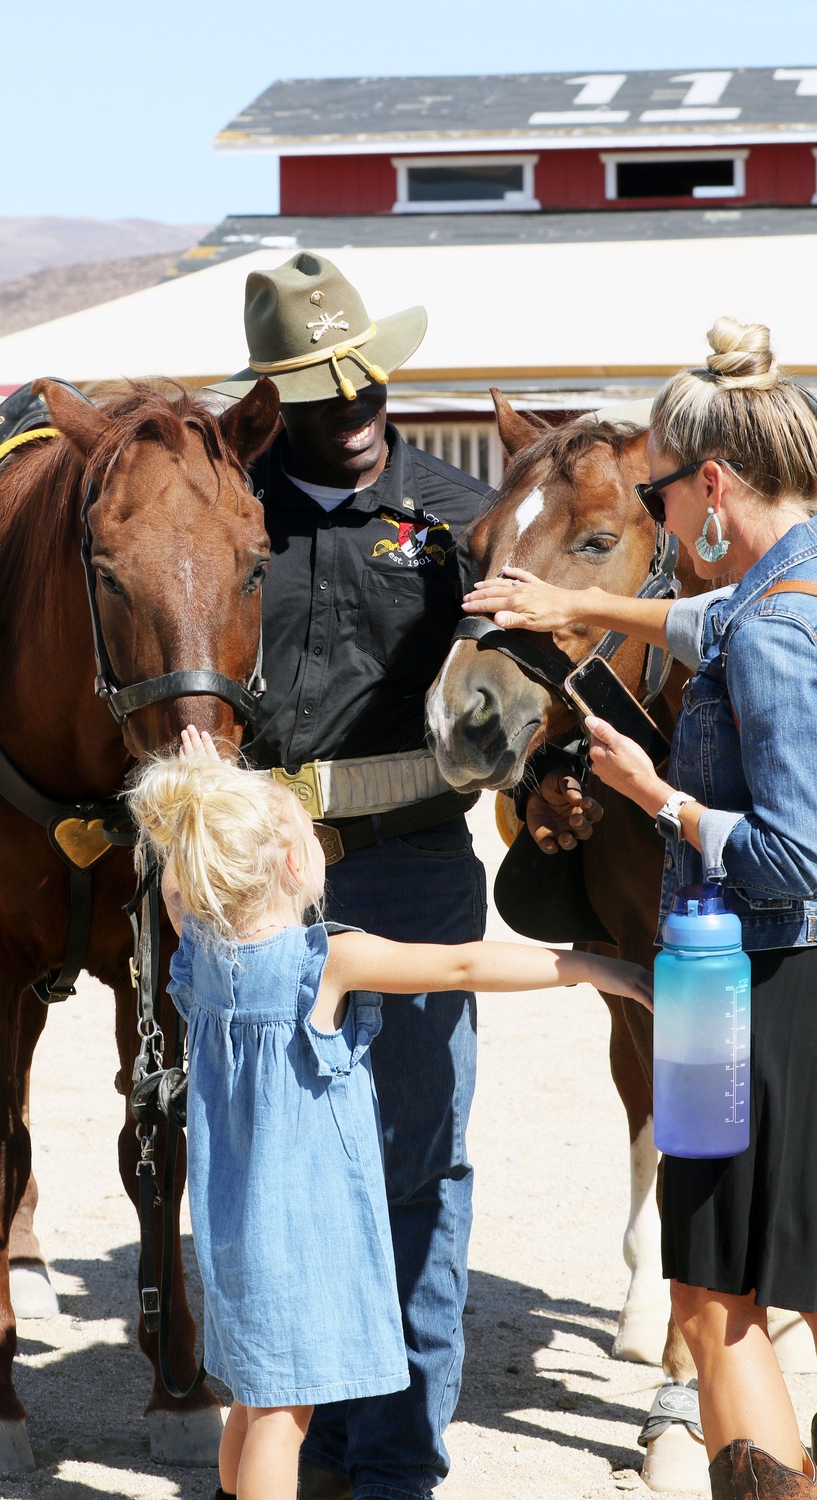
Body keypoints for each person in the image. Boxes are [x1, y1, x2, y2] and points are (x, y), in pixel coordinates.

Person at [464, 317, 817, 1500]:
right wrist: (571, 604)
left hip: (742, 991)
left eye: (661, 491)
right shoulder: (786, 581)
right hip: (772, 988)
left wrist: (655, 797)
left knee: (712, 1306)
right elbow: (704, 621)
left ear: (710, 484)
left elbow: (792, 854)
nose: (659, 519)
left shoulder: (774, 631)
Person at [130, 726, 652, 1500]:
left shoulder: (197, 950)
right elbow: (463, 963)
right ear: (291, 863)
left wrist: (204, 793)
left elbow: (179, 883)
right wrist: (599, 968)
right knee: (285, 1420)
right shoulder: (321, 963)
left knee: (252, 1404)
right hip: (301, 1236)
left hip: (233, 1231)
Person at [210, 250, 495, 1500]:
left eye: (369, 378)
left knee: (414, 1162)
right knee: (290, 1171)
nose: (359, 406)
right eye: (326, 392)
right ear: (278, 397)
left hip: (419, 868)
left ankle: (395, 1460)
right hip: (269, 892)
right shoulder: (229, 517)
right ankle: (315, 1427)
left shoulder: (450, 516)